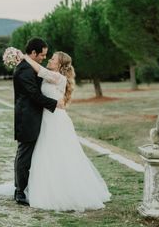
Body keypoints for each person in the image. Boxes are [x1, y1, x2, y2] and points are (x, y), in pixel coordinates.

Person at [23, 51, 111, 211]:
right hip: (47, 118)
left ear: (60, 65)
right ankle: (48, 187)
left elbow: (39, 70)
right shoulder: (50, 75)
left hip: (56, 120)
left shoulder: (58, 77)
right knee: (46, 153)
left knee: (59, 154)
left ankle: (63, 191)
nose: (49, 60)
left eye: (53, 59)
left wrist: (24, 57)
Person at [13, 38, 65, 205]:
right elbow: (34, 95)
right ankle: (20, 192)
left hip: (38, 119)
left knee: (29, 155)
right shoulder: (25, 71)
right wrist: (55, 104)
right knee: (24, 157)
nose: (44, 58)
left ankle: (22, 188)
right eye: (42, 55)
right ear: (33, 53)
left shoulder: (31, 67)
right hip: (28, 119)